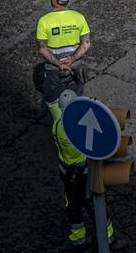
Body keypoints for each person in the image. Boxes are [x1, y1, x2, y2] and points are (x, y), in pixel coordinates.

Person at [52, 89, 124, 250]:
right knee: (95, 205)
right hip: (84, 174)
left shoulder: (57, 126)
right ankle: (108, 238)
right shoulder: (76, 130)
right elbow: (90, 147)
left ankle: (78, 241)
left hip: (67, 175)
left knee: (73, 207)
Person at [36, 0, 91, 121]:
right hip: (75, 67)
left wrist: (59, 64)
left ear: (54, 0)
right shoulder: (79, 18)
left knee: (52, 99)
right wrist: (71, 60)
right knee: (76, 99)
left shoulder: (44, 21)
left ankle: (60, 124)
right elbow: (85, 44)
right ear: (68, 0)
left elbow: (42, 49)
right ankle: (76, 125)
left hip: (54, 70)